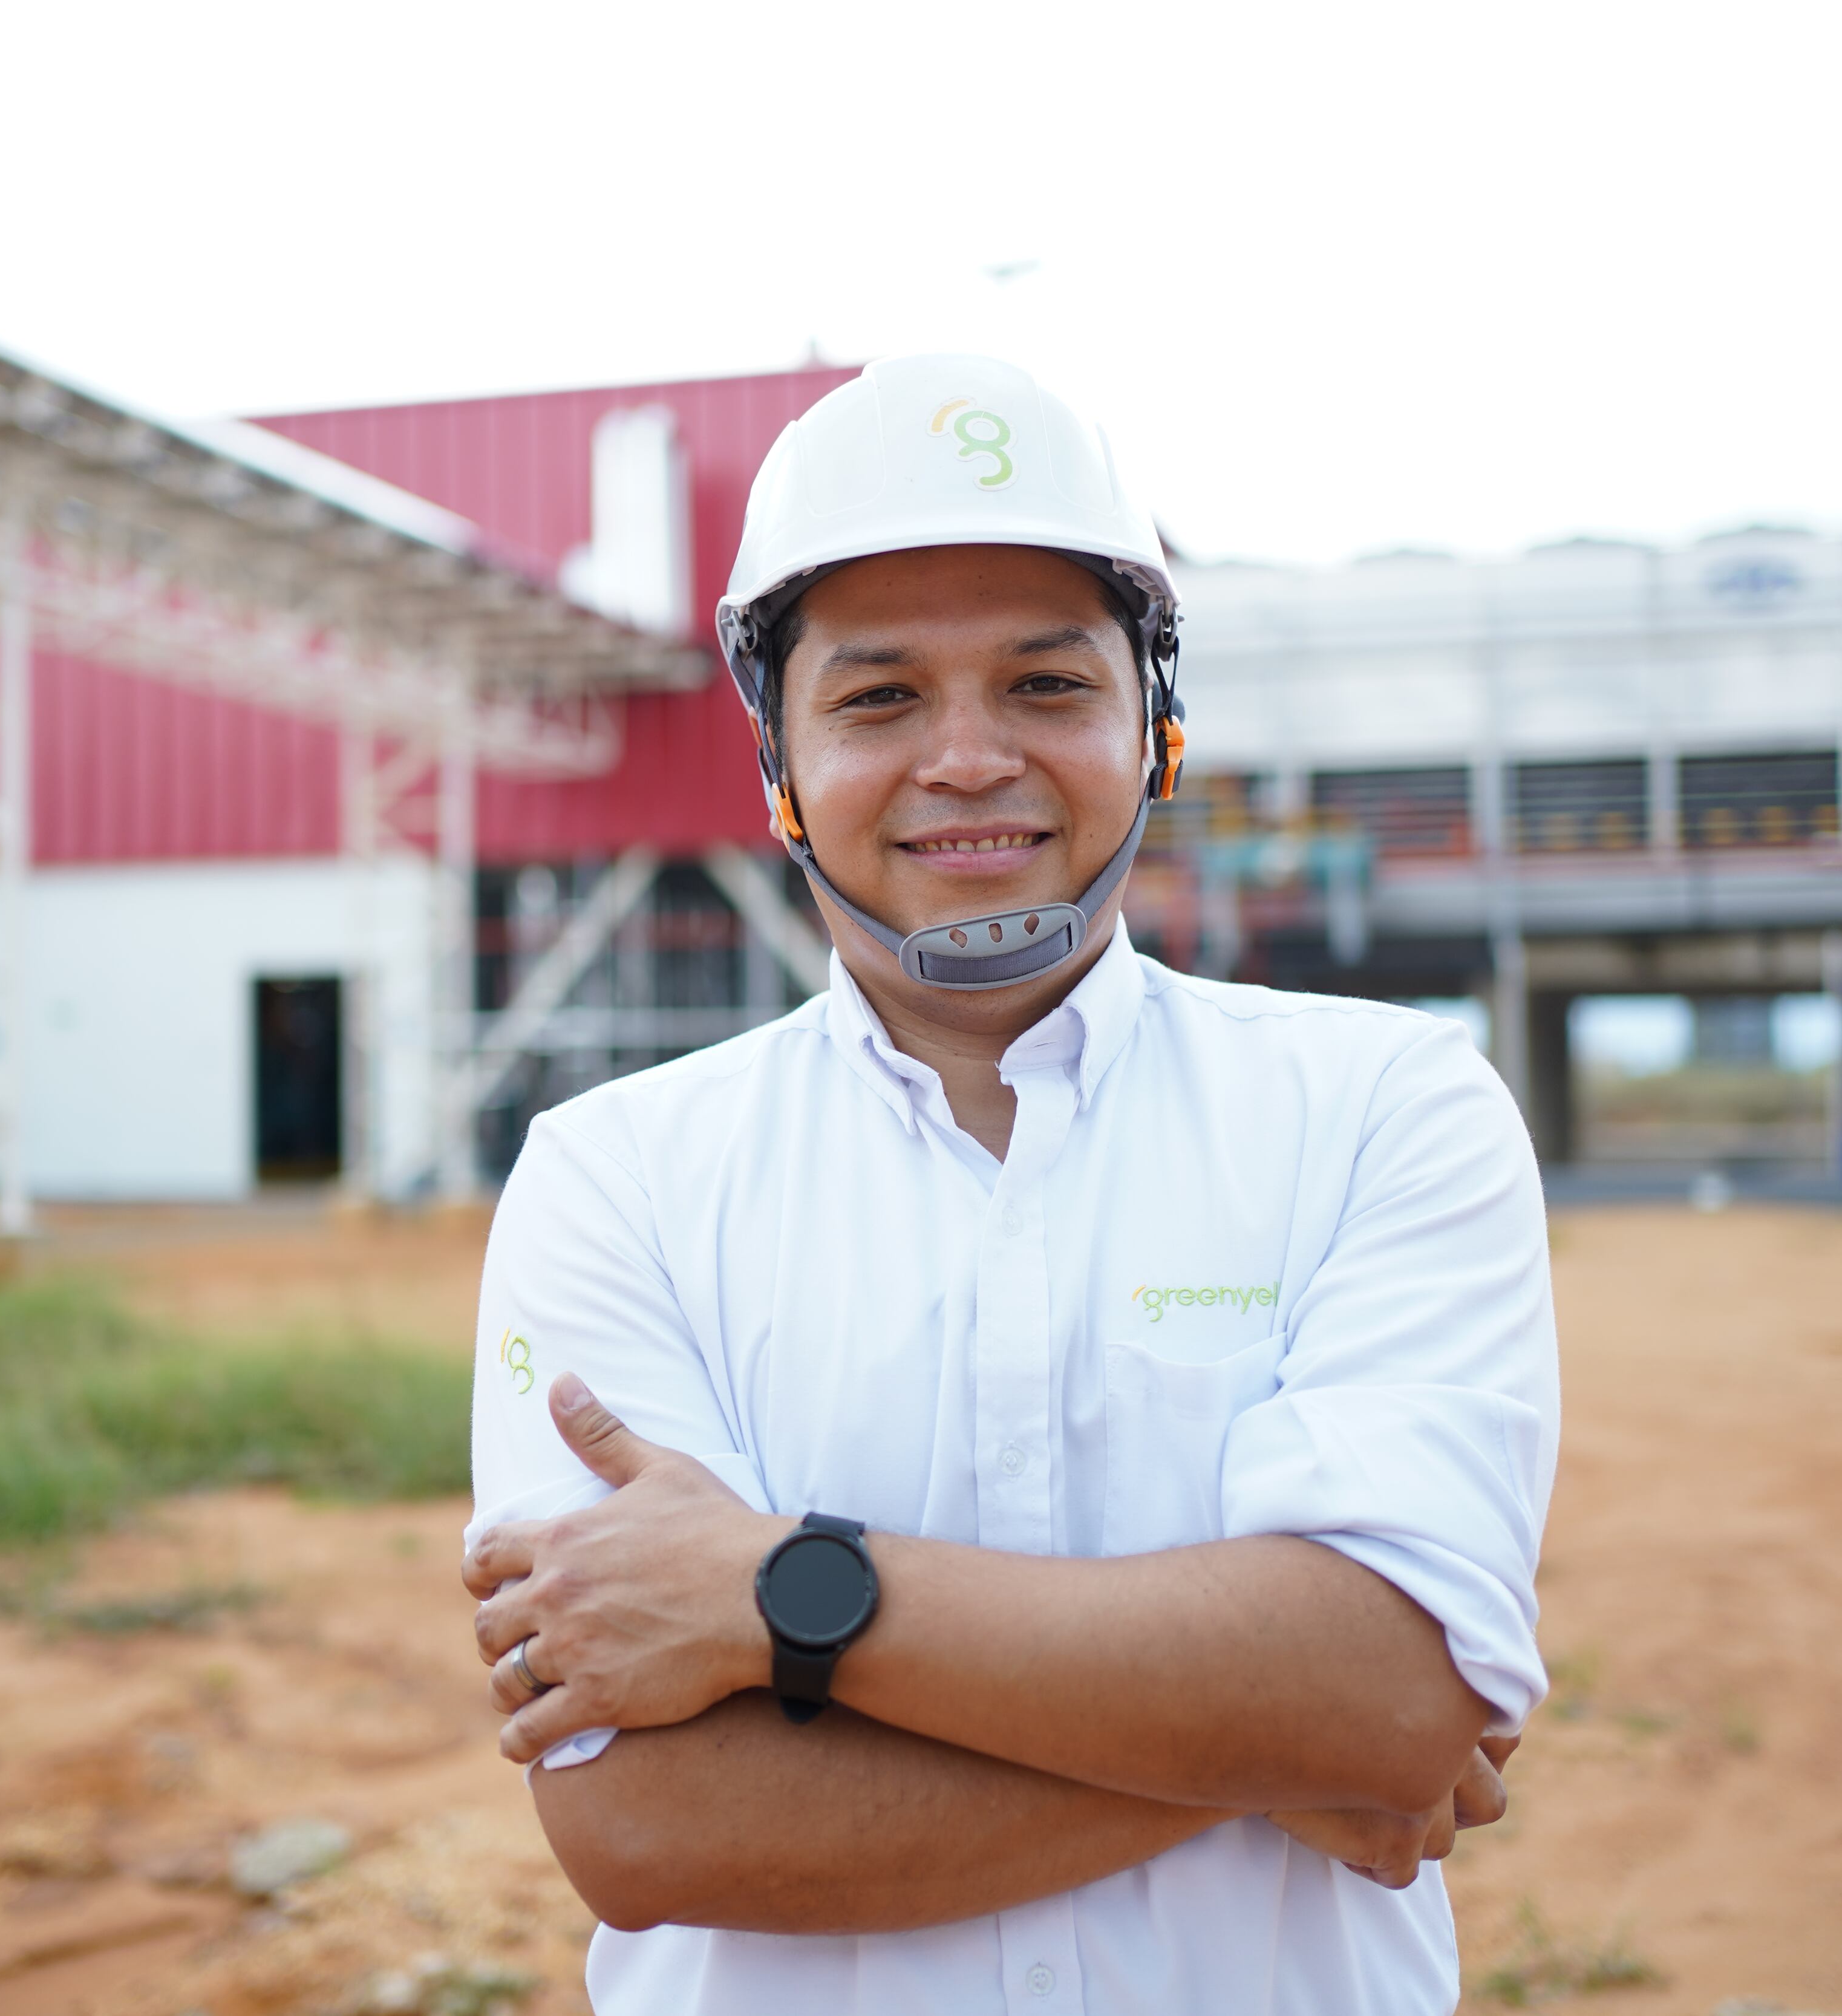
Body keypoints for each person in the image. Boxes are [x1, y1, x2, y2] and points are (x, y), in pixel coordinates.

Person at [462, 354, 1558, 2016]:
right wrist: (1277, 1732)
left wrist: (775, 1595)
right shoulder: (620, 1180)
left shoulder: (1384, 1111)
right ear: (779, 774)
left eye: (1047, 687)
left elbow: (1393, 1705)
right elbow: (650, 1820)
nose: (966, 760)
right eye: (879, 698)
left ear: (1159, 734)